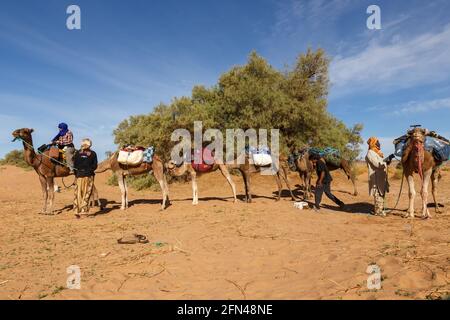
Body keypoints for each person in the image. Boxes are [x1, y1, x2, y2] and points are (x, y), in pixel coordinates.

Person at [365, 137, 394, 217]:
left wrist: (388, 159)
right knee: (377, 193)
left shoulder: (377, 152)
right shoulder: (370, 153)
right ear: (373, 143)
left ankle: (381, 209)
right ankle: (378, 211)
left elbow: (381, 162)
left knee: (382, 193)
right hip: (375, 176)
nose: (379, 143)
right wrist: (385, 162)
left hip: (381, 176)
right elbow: (377, 164)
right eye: (377, 142)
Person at [73, 138, 98, 217]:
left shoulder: (77, 153)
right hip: (88, 175)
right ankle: (83, 211)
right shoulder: (93, 153)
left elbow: (75, 166)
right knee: (87, 193)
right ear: (90, 145)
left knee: (78, 193)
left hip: (79, 175)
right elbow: (95, 165)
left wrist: (77, 174)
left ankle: (76, 210)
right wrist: (89, 170)